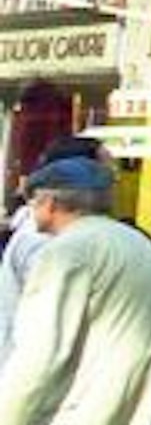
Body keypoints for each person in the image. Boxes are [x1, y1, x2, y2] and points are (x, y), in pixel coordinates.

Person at [0, 156, 151, 425]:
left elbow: (40, 358)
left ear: (50, 202)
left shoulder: (68, 253)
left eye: (33, 201)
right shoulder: (139, 241)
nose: (31, 210)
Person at [0, 136, 106, 368]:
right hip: (28, 372)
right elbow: (51, 321)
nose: (112, 177)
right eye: (104, 167)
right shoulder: (42, 239)